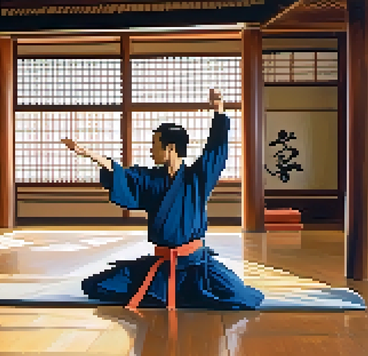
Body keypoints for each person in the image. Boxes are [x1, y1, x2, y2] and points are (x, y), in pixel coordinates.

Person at [61, 89, 264, 311]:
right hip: (163, 265)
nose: (151, 151)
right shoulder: (151, 179)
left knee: (241, 297)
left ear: (170, 148)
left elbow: (215, 150)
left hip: (196, 265)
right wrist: (90, 155)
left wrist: (219, 112)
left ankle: (184, 292)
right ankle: (176, 293)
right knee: (96, 285)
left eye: (154, 145)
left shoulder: (198, 178)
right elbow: (124, 175)